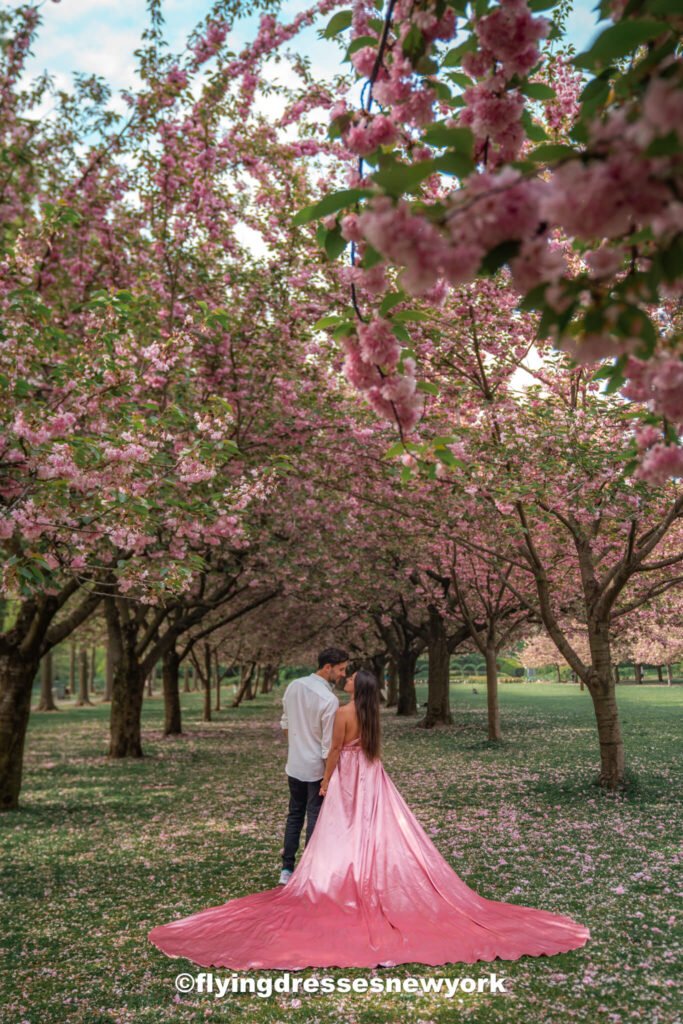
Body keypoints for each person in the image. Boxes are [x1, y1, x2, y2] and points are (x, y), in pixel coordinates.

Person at [147, 668, 590, 970]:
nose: (350, 676)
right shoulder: (372, 715)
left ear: (354, 688)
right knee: (376, 829)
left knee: (340, 832)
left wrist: (323, 783)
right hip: (374, 776)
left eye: (352, 676)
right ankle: (368, 872)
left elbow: (337, 750)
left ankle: (341, 879)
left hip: (348, 777)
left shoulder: (343, 714)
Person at [278, 647, 348, 886]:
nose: (342, 674)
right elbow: (328, 745)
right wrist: (328, 776)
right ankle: (308, 870)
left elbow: (285, 723)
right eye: (340, 669)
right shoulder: (329, 700)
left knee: (294, 815)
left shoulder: (294, 686)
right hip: (315, 768)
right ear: (327, 667)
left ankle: (286, 868)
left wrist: (299, 744)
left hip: (295, 764)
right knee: (315, 818)